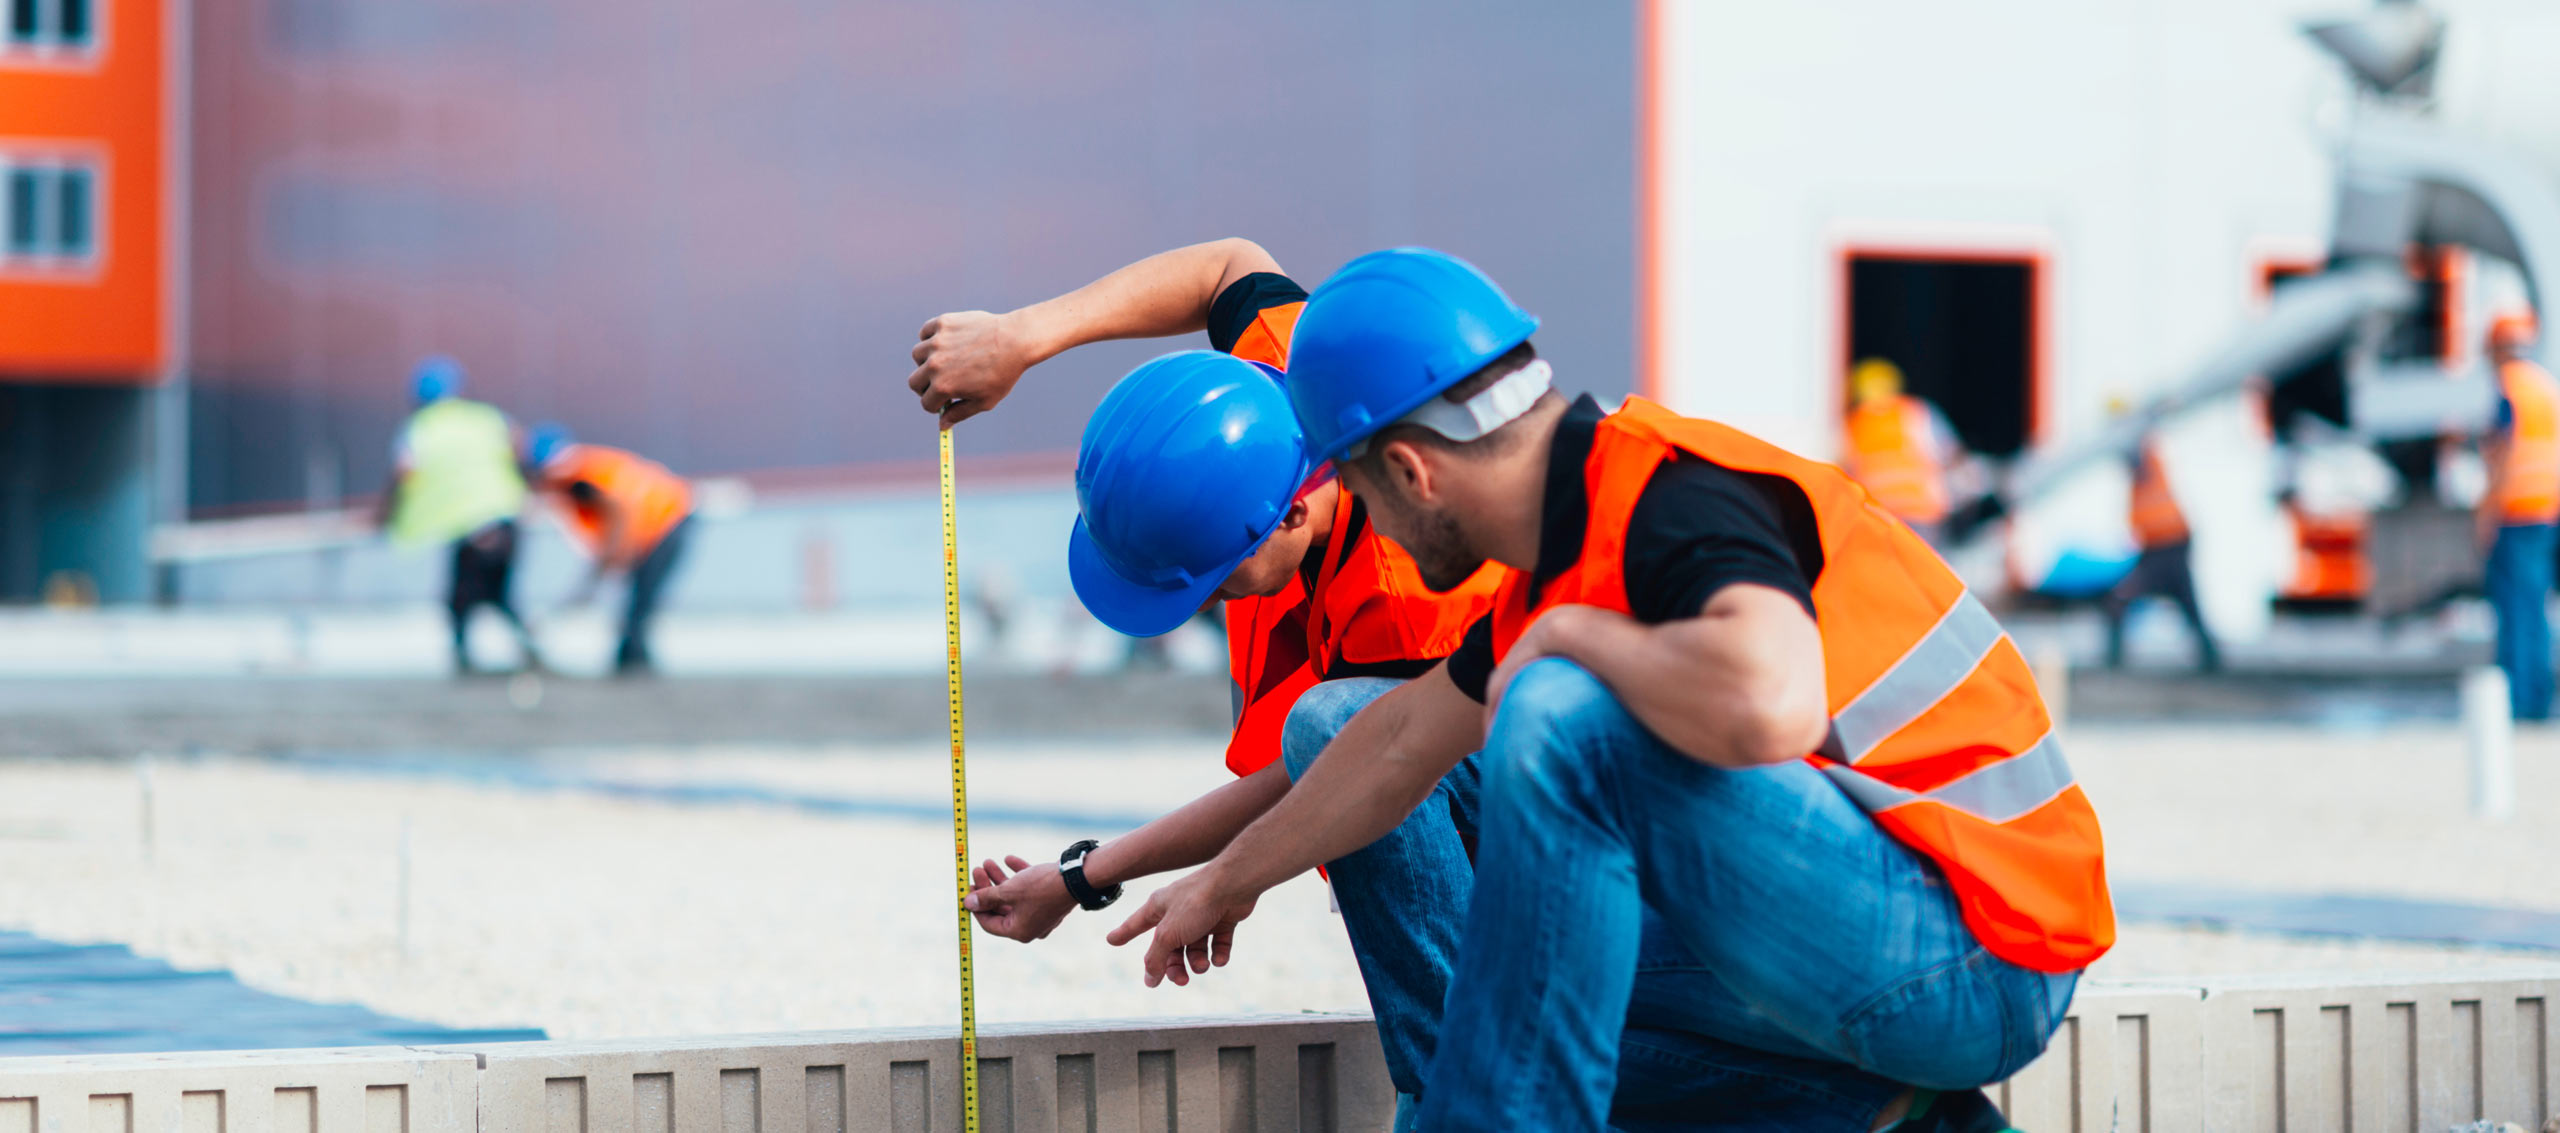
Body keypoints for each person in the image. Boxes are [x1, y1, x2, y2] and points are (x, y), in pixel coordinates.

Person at [1109, 248, 2109, 1131]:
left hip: (1975, 956)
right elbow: (1395, 741)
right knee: (1367, 742)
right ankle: (1872, 1112)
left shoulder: (1667, 503)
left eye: (1360, 494)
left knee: (1561, 712)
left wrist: (1571, 640)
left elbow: (1774, 702)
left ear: (1410, 471)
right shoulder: (1566, 550)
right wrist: (1225, 878)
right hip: (1871, 923)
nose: (1368, 528)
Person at [912, 240, 1501, 1112]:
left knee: (1342, 732)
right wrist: (1022, 338)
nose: (1203, 603)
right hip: (1453, 747)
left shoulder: (1409, 587)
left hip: (1573, 809)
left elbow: (1333, 777)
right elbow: (1226, 266)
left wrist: (1115, 878)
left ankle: (1469, 1090)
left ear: (1292, 510)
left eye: (1213, 576)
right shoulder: (1283, 382)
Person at [377, 356, 541, 675]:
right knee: (498, 593)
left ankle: (465, 656)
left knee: (462, 595)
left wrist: (388, 515)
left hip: (467, 525)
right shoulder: (489, 419)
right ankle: (526, 648)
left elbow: (403, 472)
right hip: (506, 518)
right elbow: (523, 449)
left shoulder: (420, 429)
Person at [524, 425, 695, 676]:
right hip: (664, 520)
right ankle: (631, 658)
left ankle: (633, 660)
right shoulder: (582, 472)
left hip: (666, 523)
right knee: (638, 599)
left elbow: (618, 513)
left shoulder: (577, 478)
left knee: (641, 599)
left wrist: (612, 559)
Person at [2478, 310, 2560, 721]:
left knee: (2517, 610)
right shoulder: (2546, 387)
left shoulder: (2510, 389)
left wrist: (2486, 514)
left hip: (2516, 513)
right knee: (2537, 608)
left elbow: (2503, 456)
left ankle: (2520, 701)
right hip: (2546, 511)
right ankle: (2538, 697)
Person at [2100, 403, 2220, 672]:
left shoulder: (2141, 451)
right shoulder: (2145, 451)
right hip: (2164, 542)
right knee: (2186, 604)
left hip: (2167, 543)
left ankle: (2114, 664)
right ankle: (2211, 660)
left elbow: (2130, 454)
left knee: (2123, 598)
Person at [1840, 358, 1965, 543]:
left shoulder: (1854, 424)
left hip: (1877, 512)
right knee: (1923, 567)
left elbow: (1845, 468)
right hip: (1921, 509)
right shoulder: (1917, 413)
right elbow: (1952, 453)